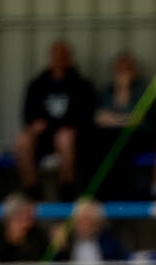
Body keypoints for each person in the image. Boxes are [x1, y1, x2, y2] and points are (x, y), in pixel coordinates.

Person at [13, 40, 96, 200]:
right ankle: (31, 191)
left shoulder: (82, 85)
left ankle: (66, 189)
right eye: (56, 57)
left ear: (69, 59)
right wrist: (36, 126)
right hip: (43, 138)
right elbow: (28, 117)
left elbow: (85, 118)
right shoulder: (37, 85)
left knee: (64, 137)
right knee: (22, 140)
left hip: (73, 140)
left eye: (63, 57)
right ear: (50, 58)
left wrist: (53, 125)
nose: (59, 61)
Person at [93, 52, 156, 200]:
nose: (124, 73)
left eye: (128, 69)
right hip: (109, 138)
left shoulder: (144, 90)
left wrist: (124, 91)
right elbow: (99, 118)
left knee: (123, 143)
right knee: (98, 144)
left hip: (140, 138)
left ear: (135, 71)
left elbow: (138, 118)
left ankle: (127, 195)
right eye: (120, 70)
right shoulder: (107, 90)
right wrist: (124, 117)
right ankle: (102, 195)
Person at [52, 198, 128, 265]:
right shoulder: (68, 243)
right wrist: (58, 248)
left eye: (88, 220)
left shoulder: (109, 242)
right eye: (79, 220)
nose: (83, 224)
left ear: (97, 223)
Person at [0, 193, 51, 265]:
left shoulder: (37, 236)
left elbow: (50, 263)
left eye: (29, 219)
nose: (26, 225)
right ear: (8, 220)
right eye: (20, 219)